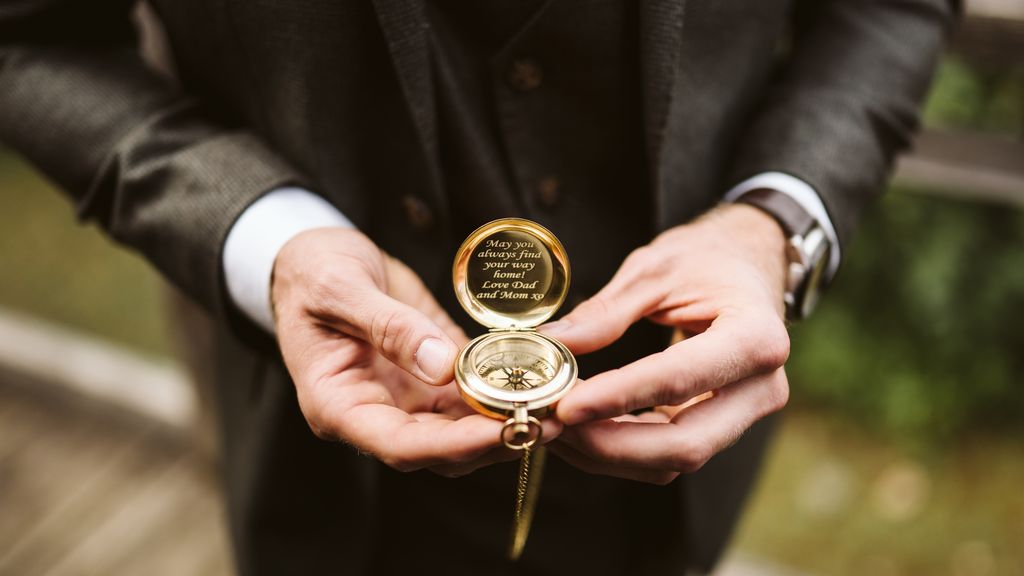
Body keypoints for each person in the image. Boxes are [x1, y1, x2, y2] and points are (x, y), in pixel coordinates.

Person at [0, 1, 956, 574]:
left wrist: (771, 223)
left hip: (681, 460)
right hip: (314, 457)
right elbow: (34, 38)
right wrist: (268, 241)